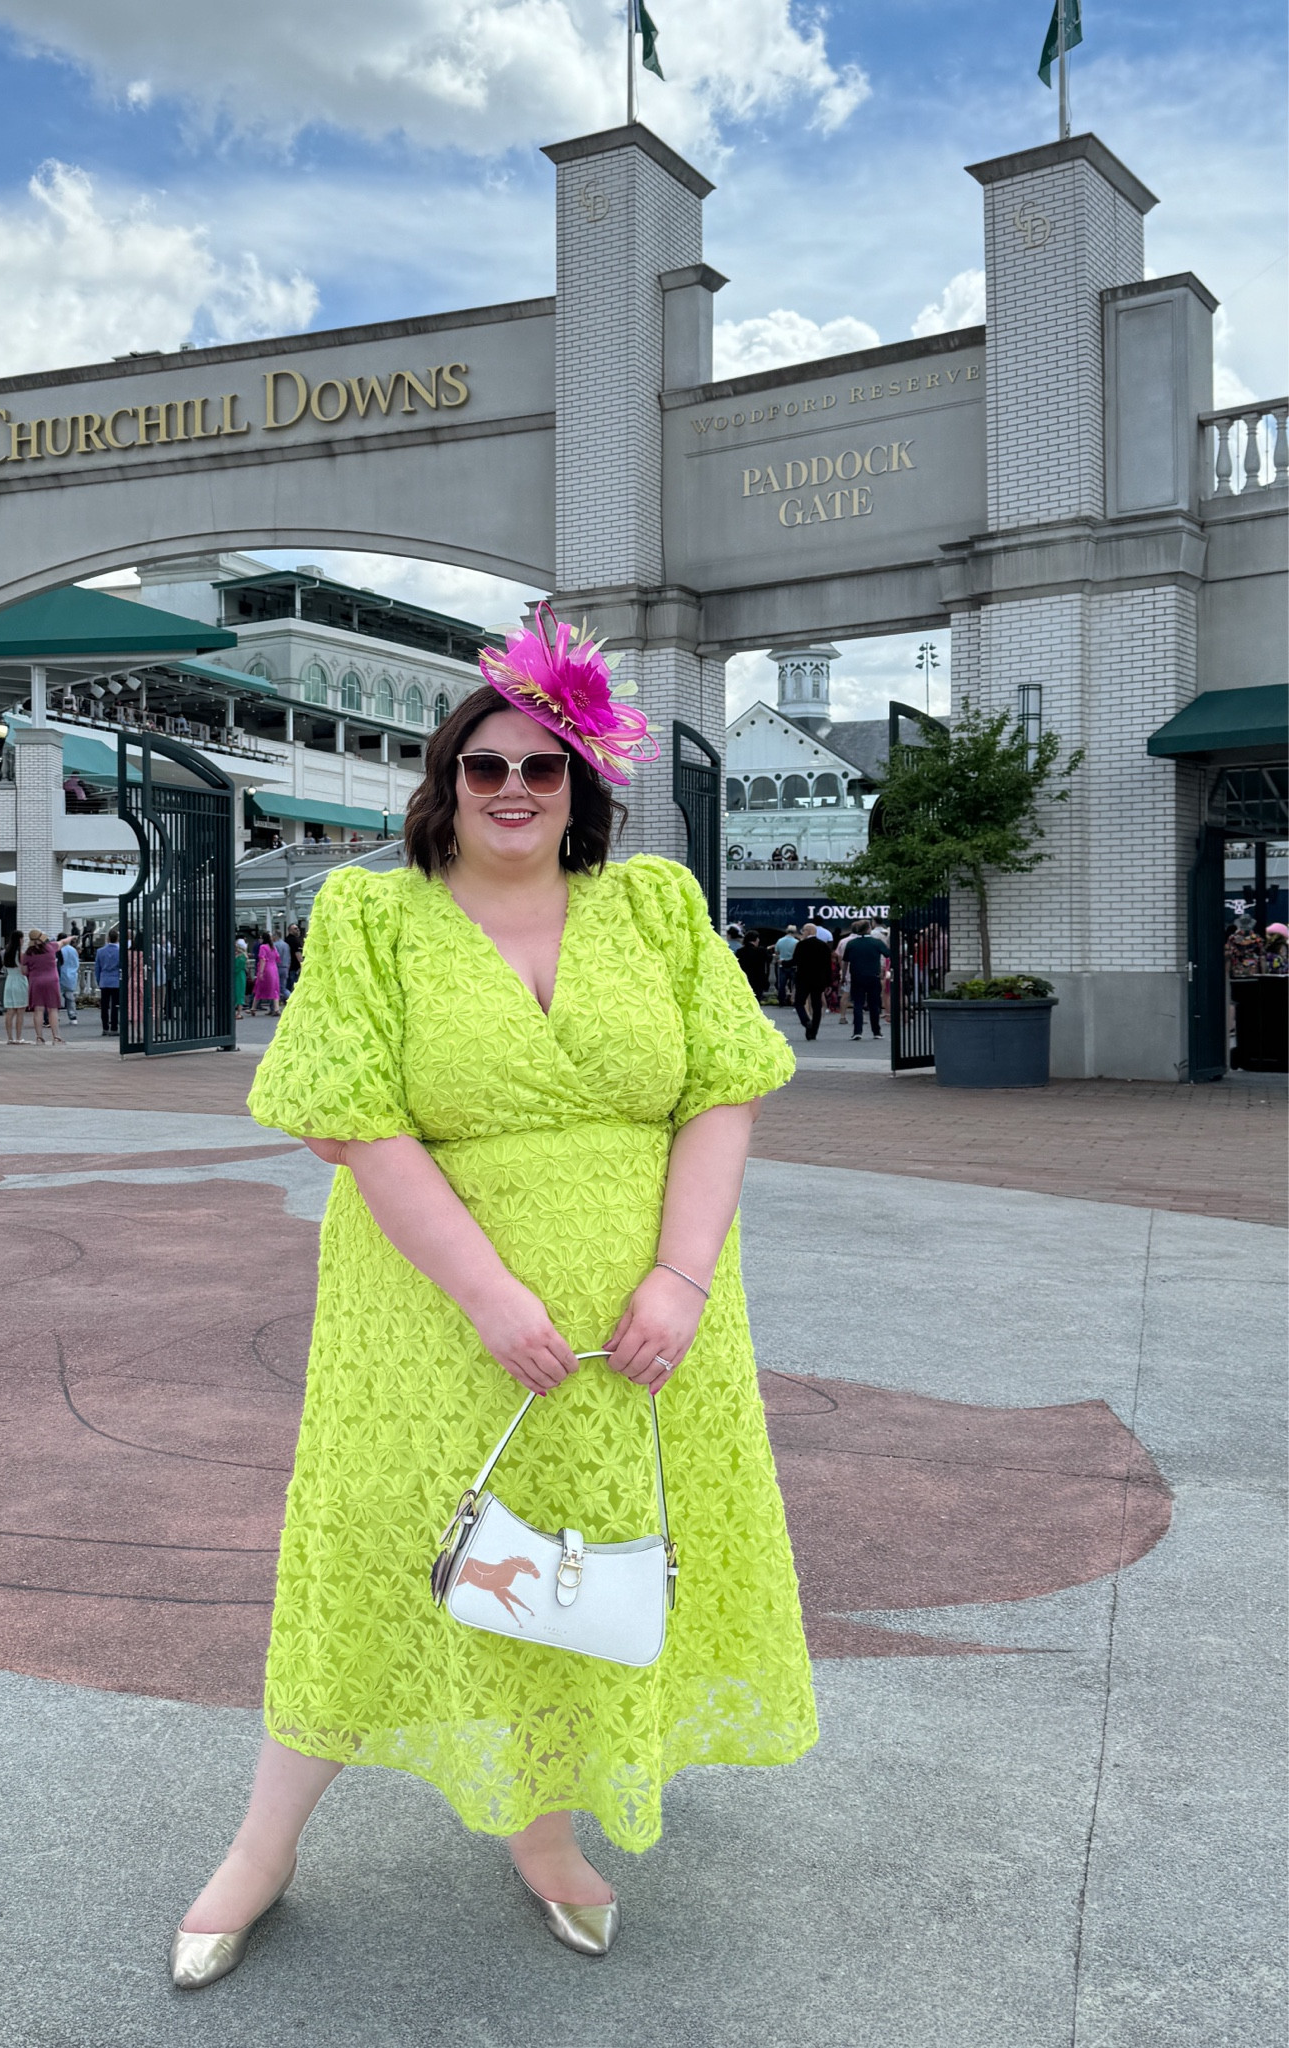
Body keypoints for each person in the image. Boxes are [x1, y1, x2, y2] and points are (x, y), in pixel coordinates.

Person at [171, 613, 815, 1990]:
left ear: (582, 785)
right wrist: (485, 1295)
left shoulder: (655, 908)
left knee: (572, 1562)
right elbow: (350, 1123)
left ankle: (544, 1828)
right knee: (381, 1555)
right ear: (443, 780)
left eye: (544, 765)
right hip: (428, 1311)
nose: (515, 788)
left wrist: (679, 1275)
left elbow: (724, 1090)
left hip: (648, 1319)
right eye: (486, 766)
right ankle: (264, 1845)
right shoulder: (371, 915)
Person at [845, 923, 889, 1040]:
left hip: (857, 976)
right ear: (869, 929)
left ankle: (857, 1031)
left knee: (858, 1004)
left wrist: (844, 975)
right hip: (873, 976)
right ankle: (876, 1031)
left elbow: (846, 961)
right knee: (874, 1004)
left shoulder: (851, 944)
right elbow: (888, 953)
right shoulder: (877, 942)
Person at [791, 922, 833, 1041]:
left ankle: (806, 1021)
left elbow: (795, 961)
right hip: (818, 980)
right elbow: (827, 965)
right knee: (816, 1005)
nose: (802, 933)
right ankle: (813, 1032)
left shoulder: (801, 945)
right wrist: (828, 982)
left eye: (803, 931)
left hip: (803, 978)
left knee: (799, 1002)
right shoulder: (823, 946)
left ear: (808, 931)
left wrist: (784, 963)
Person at [22, 930, 64, 1045]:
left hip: (36, 982)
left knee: (38, 1010)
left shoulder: (28, 954)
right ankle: (56, 1037)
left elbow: (24, 971)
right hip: (52, 981)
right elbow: (62, 943)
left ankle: (39, 1037)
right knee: (52, 1009)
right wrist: (70, 938)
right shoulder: (51, 947)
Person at [0, 931, 29, 1044]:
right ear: (19, 939)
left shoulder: (6, 953)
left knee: (10, 1011)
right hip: (20, 981)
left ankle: (9, 1038)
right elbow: (24, 970)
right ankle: (19, 1037)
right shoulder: (21, 954)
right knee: (20, 1011)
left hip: (9, 981)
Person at [94, 928, 122, 1035]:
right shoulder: (120, 951)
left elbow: (97, 968)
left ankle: (105, 1027)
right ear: (117, 938)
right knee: (115, 1005)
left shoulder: (100, 951)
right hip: (116, 980)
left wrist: (98, 980)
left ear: (108, 938)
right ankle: (114, 1027)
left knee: (104, 1006)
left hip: (104, 980)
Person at [735, 929, 769, 1004]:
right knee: (756, 1001)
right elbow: (768, 960)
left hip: (744, 979)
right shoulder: (761, 951)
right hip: (758, 980)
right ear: (756, 939)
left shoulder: (740, 952)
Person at [251, 935, 281, 1017]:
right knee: (275, 989)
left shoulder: (263, 947)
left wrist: (260, 972)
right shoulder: (273, 947)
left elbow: (262, 959)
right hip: (274, 969)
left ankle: (253, 1007)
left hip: (266, 969)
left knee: (259, 988)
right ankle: (276, 1008)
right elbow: (278, 958)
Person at [57, 933, 81, 1026]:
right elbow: (76, 963)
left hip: (60, 975)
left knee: (57, 998)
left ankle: (56, 1016)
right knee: (70, 998)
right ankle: (73, 1016)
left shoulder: (59, 950)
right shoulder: (73, 950)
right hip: (71, 975)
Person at [774, 925, 799, 1007]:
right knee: (795, 984)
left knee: (782, 984)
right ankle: (794, 999)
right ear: (794, 932)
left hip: (782, 965)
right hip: (793, 965)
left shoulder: (780, 941)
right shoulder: (796, 942)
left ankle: (782, 1000)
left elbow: (777, 952)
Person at [234, 938, 251, 1017]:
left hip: (239, 976)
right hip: (240, 975)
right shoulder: (243, 956)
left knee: (239, 993)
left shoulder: (241, 956)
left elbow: (237, 967)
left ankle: (238, 1012)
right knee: (239, 993)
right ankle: (238, 1012)